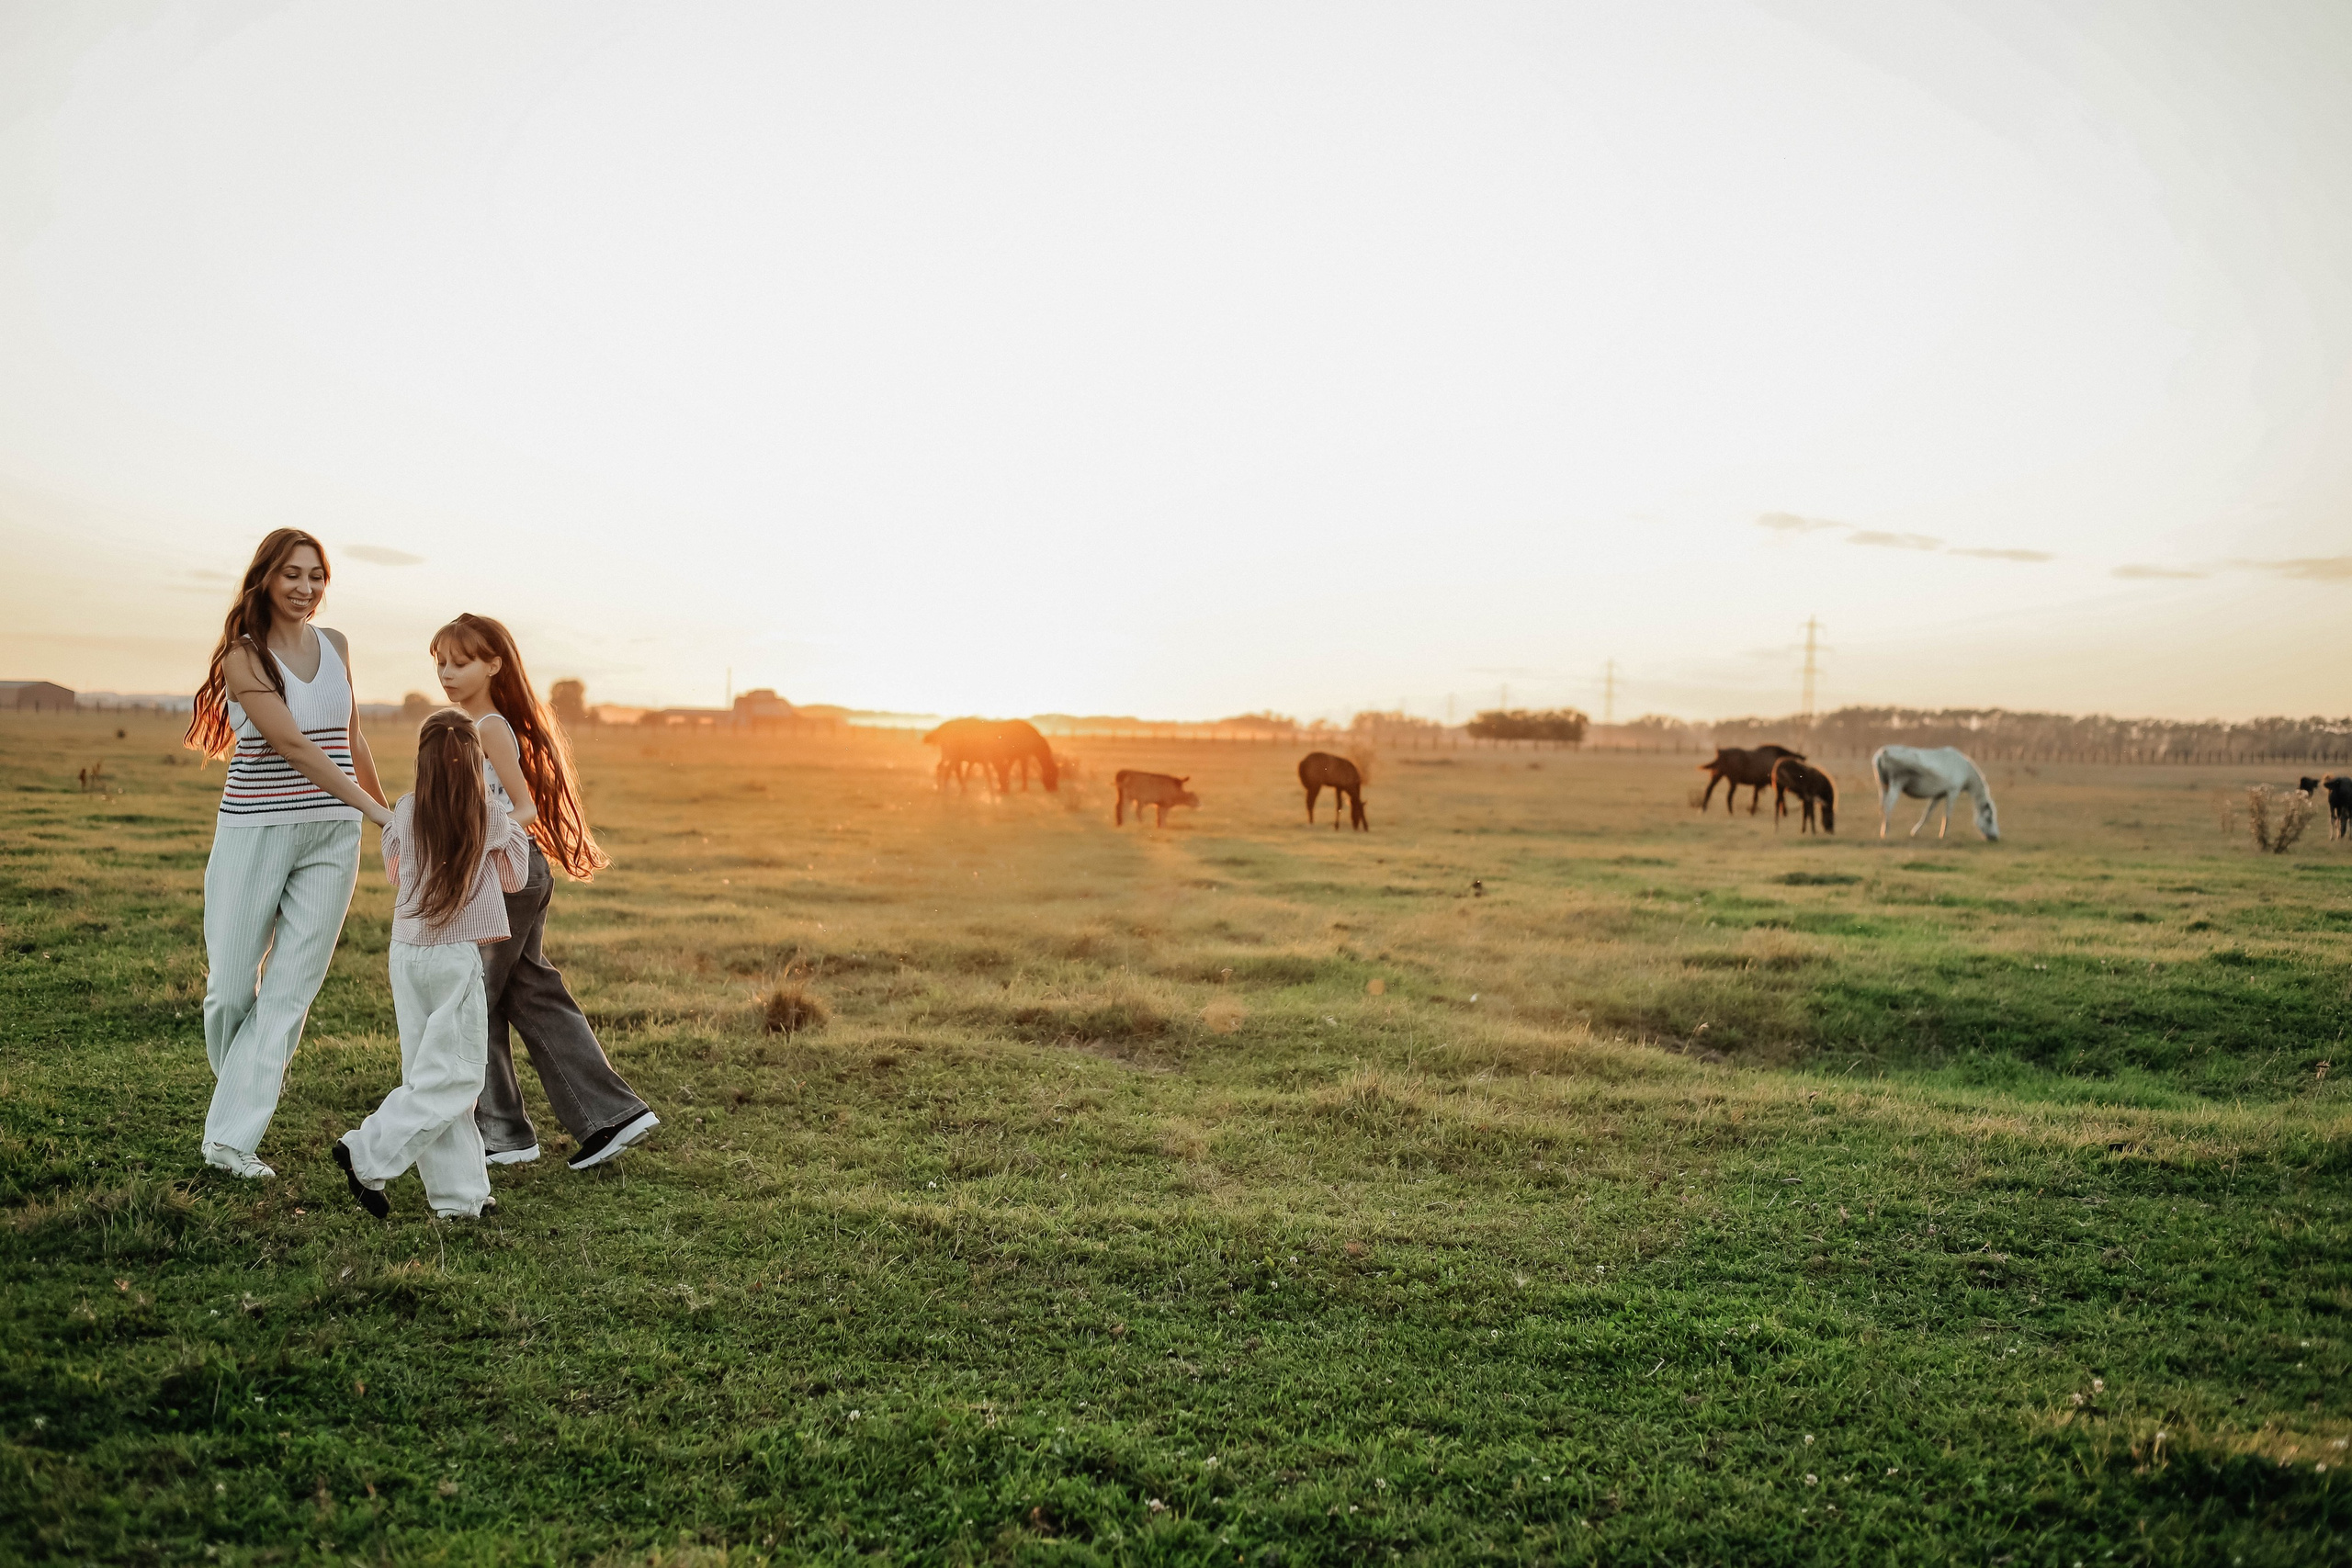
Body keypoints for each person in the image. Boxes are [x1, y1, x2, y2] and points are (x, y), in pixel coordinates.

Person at [186, 530, 393, 1179]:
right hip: (258, 831)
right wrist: (377, 809)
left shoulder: (337, 646)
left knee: (289, 991)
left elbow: (348, 737)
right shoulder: (243, 658)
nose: (306, 589)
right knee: (228, 988)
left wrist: (384, 818)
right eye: (292, 575)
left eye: (316, 576)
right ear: (266, 579)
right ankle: (238, 1090)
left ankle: (230, 1138)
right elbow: (298, 747)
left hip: (333, 836)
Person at [430, 613, 661, 1171]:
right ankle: (604, 1118)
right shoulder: (482, 724)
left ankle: (505, 1133)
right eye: (440, 662)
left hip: (505, 876)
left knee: (471, 996)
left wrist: (473, 842)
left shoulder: (487, 727)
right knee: (526, 989)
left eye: (460, 662)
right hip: (514, 872)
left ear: (493, 664)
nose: (447, 673)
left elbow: (525, 807)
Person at [334, 709, 531, 1220]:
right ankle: (366, 1153)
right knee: (457, 1079)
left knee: (431, 1076)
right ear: (474, 761)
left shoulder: (406, 810)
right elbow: (513, 879)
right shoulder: (485, 816)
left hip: (406, 954)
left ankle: (460, 1199)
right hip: (454, 956)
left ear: (422, 761)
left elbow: (398, 872)